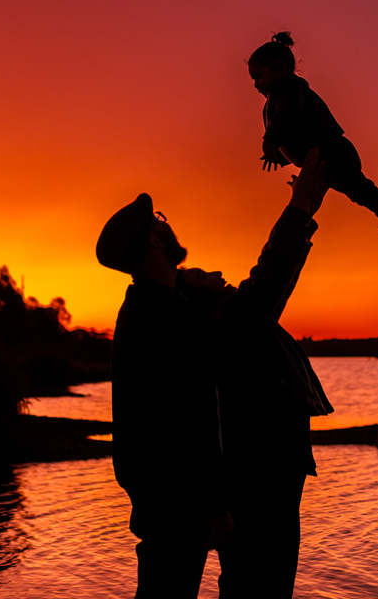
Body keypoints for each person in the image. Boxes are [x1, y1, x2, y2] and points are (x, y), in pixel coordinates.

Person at [177, 150, 334, 598]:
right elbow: (268, 277)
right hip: (261, 479)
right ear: (197, 298)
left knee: (255, 580)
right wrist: (299, 206)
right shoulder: (226, 323)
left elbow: (274, 287)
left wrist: (306, 215)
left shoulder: (235, 324)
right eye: (205, 275)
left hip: (265, 476)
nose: (218, 273)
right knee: (260, 582)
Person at [96, 192, 232, 597]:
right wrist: (216, 505)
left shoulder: (142, 309)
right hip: (179, 504)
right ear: (155, 241)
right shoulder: (165, 315)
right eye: (158, 219)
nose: (164, 222)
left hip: (159, 502)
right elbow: (191, 413)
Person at [248, 31, 378, 260]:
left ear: (280, 69)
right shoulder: (284, 92)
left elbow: (288, 113)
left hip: (331, 151)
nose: (255, 85)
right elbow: (296, 130)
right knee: (360, 190)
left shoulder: (287, 89)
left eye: (259, 76)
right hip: (327, 154)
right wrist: (283, 155)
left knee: (361, 190)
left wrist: (271, 139)